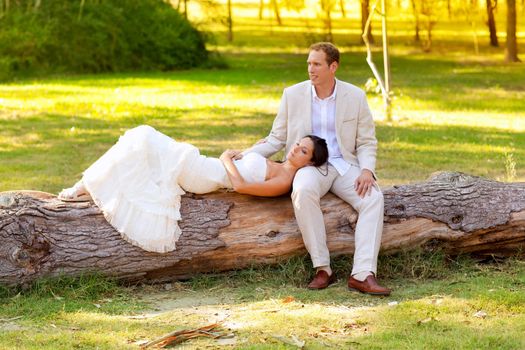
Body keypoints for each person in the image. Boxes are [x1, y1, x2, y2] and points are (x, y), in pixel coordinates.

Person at [243, 42, 391, 295]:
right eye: (309, 63)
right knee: (302, 191)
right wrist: (244, 154)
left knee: (374, 198)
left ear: (333, 67)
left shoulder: (355, 96)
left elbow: (366, 141)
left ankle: (363, 274)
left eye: (317, 64)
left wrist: (367, 170)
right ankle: (323, 268)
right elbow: (276, 138)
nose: (311, 69)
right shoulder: (293, 94)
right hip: (310, 166)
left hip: (344, 165)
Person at [58, 125, 328, 253]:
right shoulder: (278, 163)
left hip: (206, 174)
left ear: (311, 161)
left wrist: (225, 159)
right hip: (204, 165)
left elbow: (241, 185)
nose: (295, 149)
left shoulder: (284, 181)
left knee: (142, 137)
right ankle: (87, 184)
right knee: (139, 141)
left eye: (303, 150)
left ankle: (85, 184)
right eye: (297, 144)